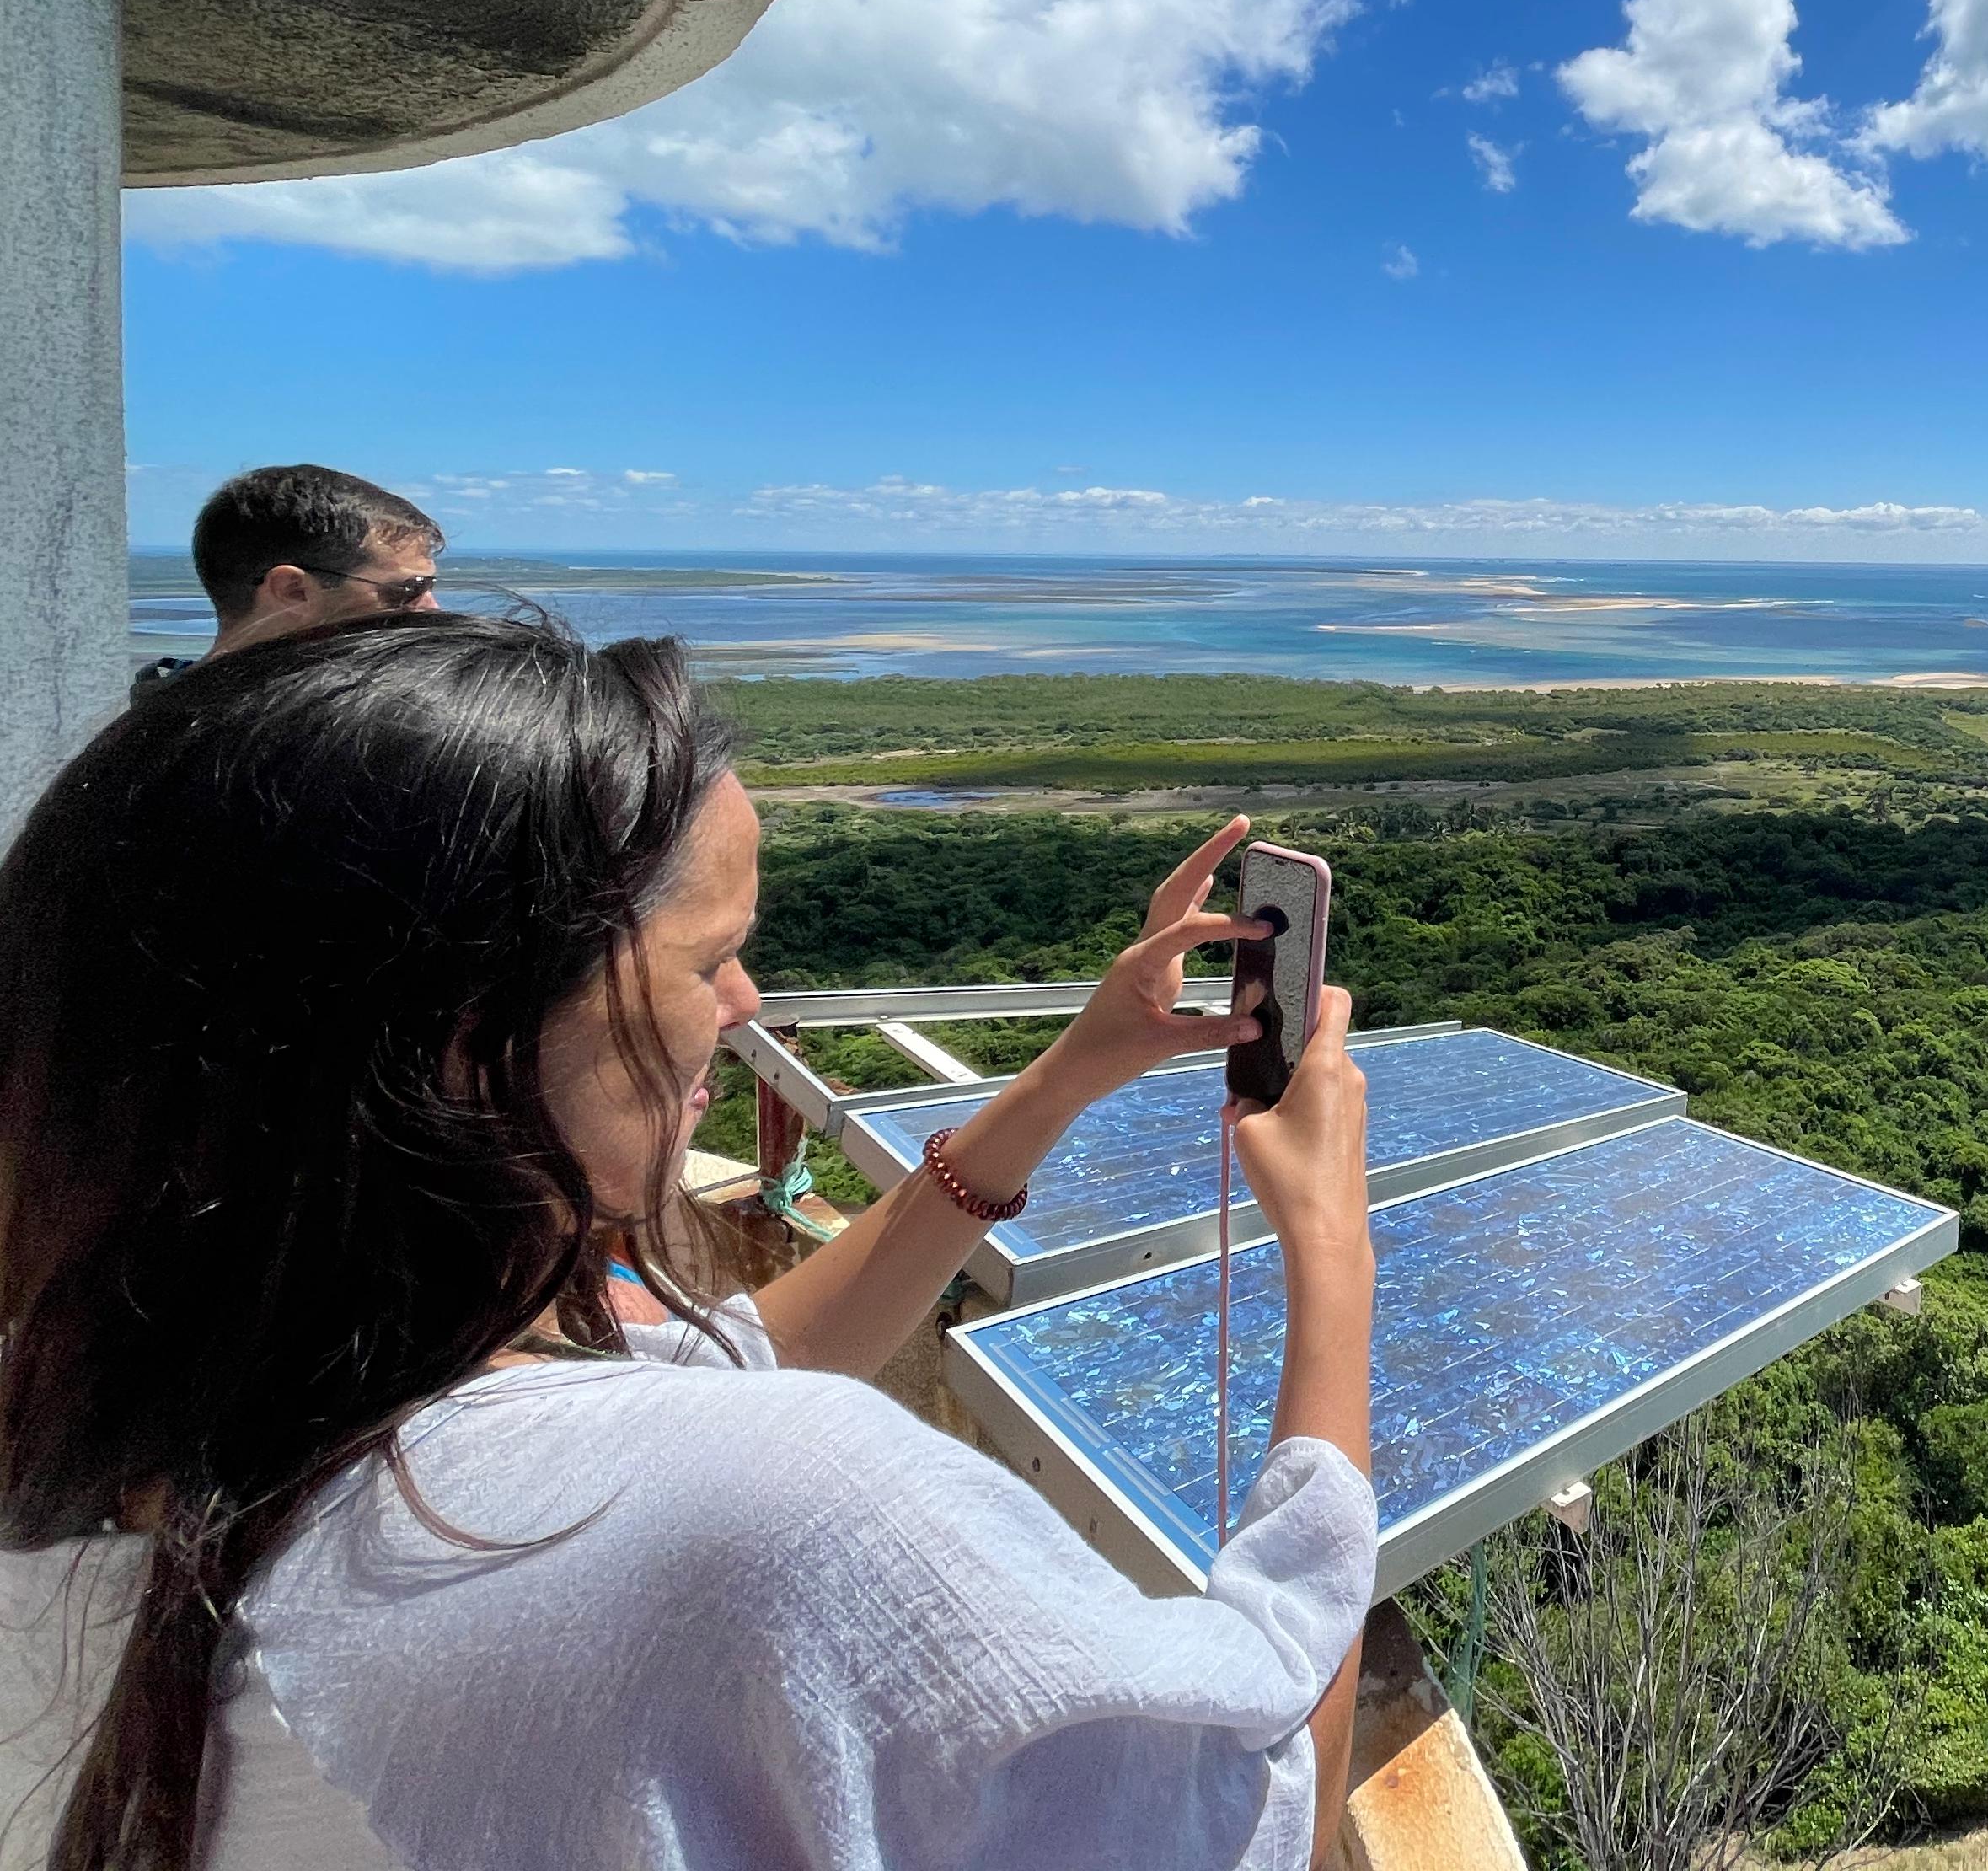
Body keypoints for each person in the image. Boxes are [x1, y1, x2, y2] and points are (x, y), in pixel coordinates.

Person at [0, 614, 1377, 1870]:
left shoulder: (211, 1384)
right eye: (708, 955)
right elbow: (1255, 1801)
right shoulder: (777, 1509)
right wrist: (1331, 1248)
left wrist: (1072, 1068)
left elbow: (744, 1363)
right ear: (470, 1038)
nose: (746, 1000)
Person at [127, 465, 447, 700]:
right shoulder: (309, 745)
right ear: (293, 591)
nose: (432, 609)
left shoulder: (158, 716)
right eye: (408, 590)